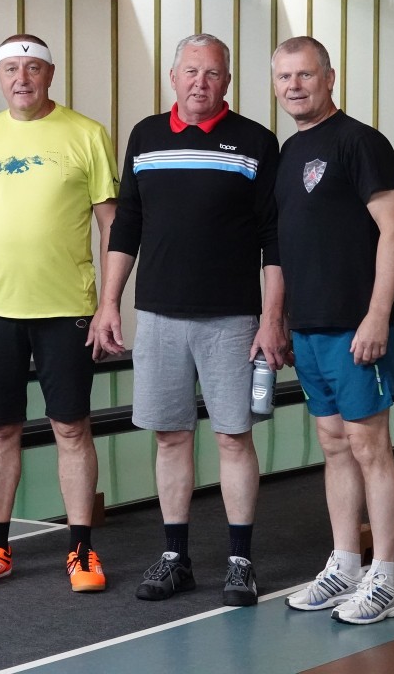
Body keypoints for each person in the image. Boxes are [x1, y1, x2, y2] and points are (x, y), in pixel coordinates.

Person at [95, 33, 286, 607]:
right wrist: (109, 301)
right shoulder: (146, 136)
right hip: (158, 314)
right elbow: (126, 224)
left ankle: (240, 561)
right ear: (173, 77)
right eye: (191, 71)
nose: (201, 82)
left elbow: (273, 237)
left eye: (213, 73)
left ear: (227, 81)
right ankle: (174, 557)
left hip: (232, 318)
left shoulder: (256, 141)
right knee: (171, 437)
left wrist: (271, 317)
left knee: (233, 437)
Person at [0, 34, 118, 593]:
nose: (22, 78)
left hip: (67, 308)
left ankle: (81, 549)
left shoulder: (87, 134)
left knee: (71, 426)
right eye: (11, 69)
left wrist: (110, 303)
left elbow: (110, 224)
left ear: (50, 74)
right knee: (0, 427)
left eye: (33, 68)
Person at [271, 36, 394, 625]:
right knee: (333, 444)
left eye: (305, 75)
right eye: (284, 77)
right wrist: (279, 318)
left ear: (330, 77)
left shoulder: (360, 142)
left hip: (357, 325)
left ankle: (385, 578)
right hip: (309, 325)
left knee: (369, 445)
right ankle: (346, 564)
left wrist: (377, 314)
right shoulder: (289, 151)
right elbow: (286, 242)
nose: (294, 86)